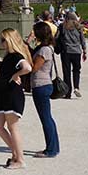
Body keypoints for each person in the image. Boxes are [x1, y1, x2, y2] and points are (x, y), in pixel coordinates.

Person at [0, 28, 33, 170]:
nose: (1, 42)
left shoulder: (15, 55)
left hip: (11, 95)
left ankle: (20, 159)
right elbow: (5, 74)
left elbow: (27, 67)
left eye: (3, 40)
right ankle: (15, 152)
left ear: (9, 40)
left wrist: (16, 75)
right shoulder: (9, 56)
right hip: (2, 96)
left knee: (13, 127)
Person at [30, 22, 60, 158]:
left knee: (46, 118)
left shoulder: (44, 50)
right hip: (43, 84)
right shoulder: (44, 47)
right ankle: (54, 147)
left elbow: (34, 67)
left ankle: (51, 149)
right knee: (48, 118)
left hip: (41, 85)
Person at [56, 12, 87, 99]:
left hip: (66, 51)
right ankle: (76, 87)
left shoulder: (62, 26)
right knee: (76, 70)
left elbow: (57, 37)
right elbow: (82, 40)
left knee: (67, 72)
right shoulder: (79, 27)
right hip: (77, 51)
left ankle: (68, 92)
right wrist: (84, 50)